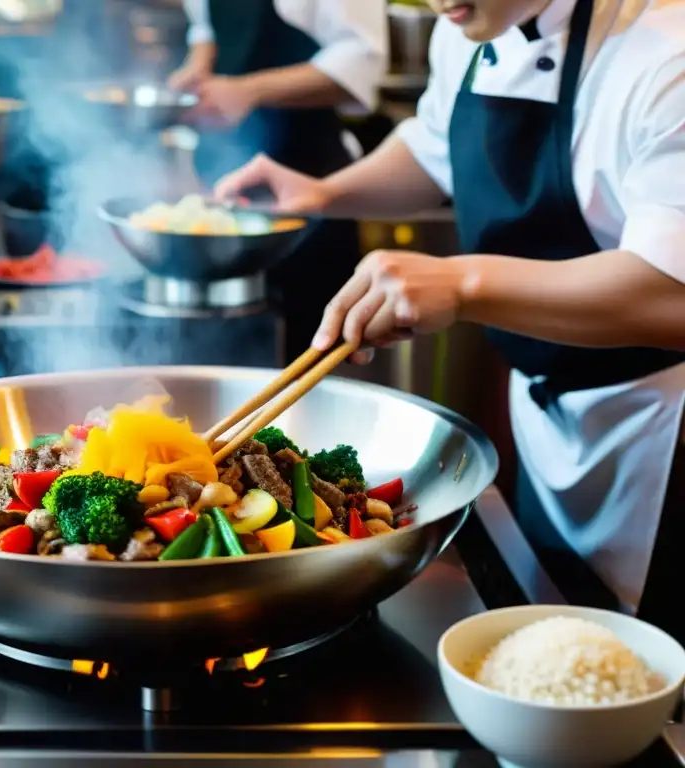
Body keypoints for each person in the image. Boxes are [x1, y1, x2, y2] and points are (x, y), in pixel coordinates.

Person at [214, 0, 685, 643]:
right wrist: (325, 192)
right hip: (547, 409)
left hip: (663, 422)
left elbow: (671, 296)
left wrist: (463, 282)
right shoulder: (468, 27)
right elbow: (433, 147)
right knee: (578, 638)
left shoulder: (665, 55)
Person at [169, 0, 388, 359]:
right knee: (228, 356)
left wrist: (247, 91)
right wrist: (197, 69)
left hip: (308, 185)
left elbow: (364, 63)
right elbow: (207, 27)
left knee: (308, 351)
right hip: (220, 186)